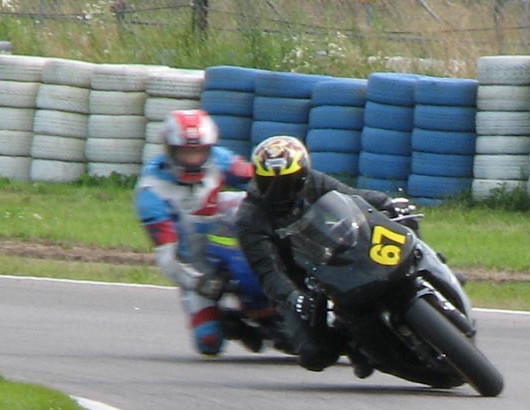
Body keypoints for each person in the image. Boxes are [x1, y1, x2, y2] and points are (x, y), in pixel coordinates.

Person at [235, 135, 412, 377]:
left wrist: (387, 203)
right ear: (257, 179)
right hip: (298, 282)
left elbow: (352, 196)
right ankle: (353, 342)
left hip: (333, 256)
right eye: (270, 183)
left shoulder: (313, 182)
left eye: (288, 182)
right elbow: (268, 272)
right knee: (314, 355)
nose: (280, 192)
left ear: (302, 174)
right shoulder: (249, 218)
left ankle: (430, 266)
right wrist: (293, 297)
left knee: (403, 223)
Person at [134, 109, 264, 356]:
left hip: (226, 239)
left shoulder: (220, 159)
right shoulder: (151, 192)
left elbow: (258, 179)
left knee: (246, 203)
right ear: (170, 150)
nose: (193, 159)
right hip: (194, 264)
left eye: (200, 151)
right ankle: (235, 323)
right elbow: (167, 257)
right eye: (185, 152)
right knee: (209, 342)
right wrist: (198, 281)